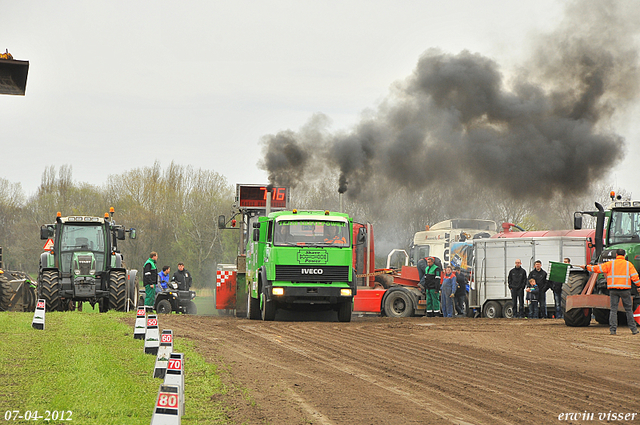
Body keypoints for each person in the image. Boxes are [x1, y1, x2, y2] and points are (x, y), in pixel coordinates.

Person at [579, 249, 640, 335]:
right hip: (625, 290)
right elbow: (635, 277)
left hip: (613, 290)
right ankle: (633, 330)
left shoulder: (610, 264)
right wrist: (639, 286)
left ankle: (613, 330)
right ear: (624, 255)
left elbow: (597, 269)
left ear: (616, 255)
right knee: (629, 310)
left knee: (613, 310)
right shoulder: (628, 265)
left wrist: (586, 267)